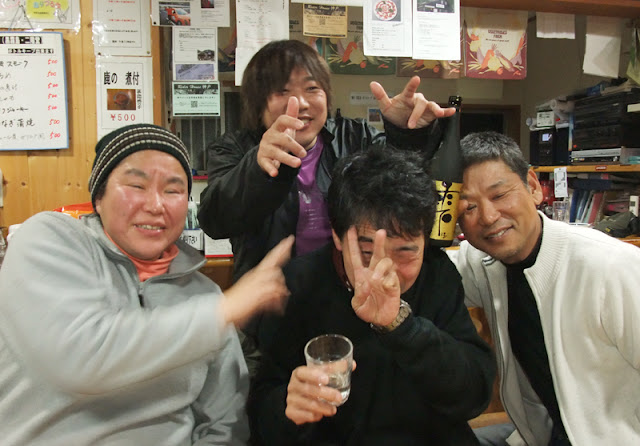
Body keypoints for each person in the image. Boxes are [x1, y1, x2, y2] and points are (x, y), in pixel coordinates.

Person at [0, 124, 294, 445]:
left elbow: (225, 422)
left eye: (173, 190)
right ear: (99, 197)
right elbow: (79, 357)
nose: (156, 205)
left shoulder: (202, 294)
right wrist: (222, 311)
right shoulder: (48, 241)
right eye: (137, 185)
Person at [248, 146, 496, 445]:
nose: (384, 272)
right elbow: (262, 411)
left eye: (405, 252)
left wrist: (401, 325)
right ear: (337, 235)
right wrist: (287, 408)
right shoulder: (299, 284)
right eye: (367, 253)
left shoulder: (437, 274)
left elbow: (473, 395)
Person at [197, 39, 454, 284]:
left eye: (312, 88)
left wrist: (405, 134)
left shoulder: (355, 137)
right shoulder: (233, 149)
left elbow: (403, 190)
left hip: (349, 298)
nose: (301, 103)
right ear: (258, 102)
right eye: (282, 90)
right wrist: (259, 166)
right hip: (268, 301)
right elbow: (215, 221)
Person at [449, 131, 640, 446]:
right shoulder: (483, 263)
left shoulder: (611, 267)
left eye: (499, 195)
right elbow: (416, 272)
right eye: (468, 208)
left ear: (534, 186)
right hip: (540, 434)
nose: (488, 217)